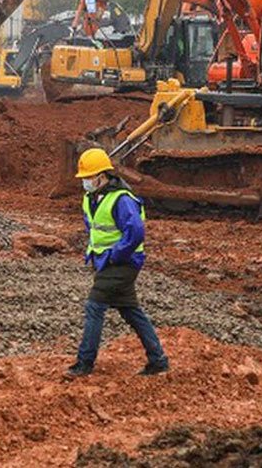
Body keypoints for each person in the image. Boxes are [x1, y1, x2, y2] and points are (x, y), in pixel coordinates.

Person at [66, 148, 169, 377]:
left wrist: (115, 256)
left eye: (88, 177)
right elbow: (94, 227)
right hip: (106, 261)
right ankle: (158, 359)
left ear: (102, 176)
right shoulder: (91, 197)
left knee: (94, 307)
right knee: (130, 310)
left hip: (122, 263)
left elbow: (135, 232)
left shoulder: (122, 199)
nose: (85, 182)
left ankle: (84, 363)